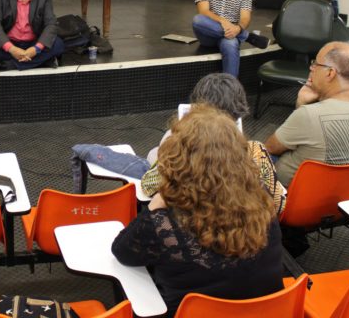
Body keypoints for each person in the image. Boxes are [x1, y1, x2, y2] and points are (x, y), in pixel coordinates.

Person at [111, 105, 283, 318]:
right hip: (267, 312)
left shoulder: (164, 224)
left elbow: (121, 252)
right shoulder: (263, 199)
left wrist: (156, 203)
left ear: (178, 159)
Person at [70, 74, 285, 215]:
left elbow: (149, 185)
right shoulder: (257, 151)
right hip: (248, 247)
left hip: (195, 239)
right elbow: (279, 204)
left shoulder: (184, 154)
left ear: (198, 109)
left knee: (155, 155)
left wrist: (171, 148)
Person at [265, 41, 349, 186]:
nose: (311, 68)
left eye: (316, 64)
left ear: (330, 73)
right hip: (338, 198)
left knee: (255, 151)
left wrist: (301, 107)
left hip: (287, 195)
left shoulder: (309, 115)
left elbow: (270, 147)